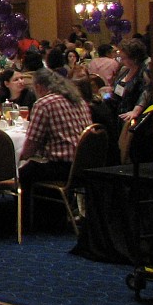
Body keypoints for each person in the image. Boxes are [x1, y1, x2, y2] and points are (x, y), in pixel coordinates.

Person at [19, 68, 94, 217]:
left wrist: (19, 157)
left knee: (23, 172)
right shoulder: (78, 100)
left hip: (62, 167)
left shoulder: (44, 103)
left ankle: (26, 220)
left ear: (39, 87)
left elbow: (32, 145)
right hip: (83, 164)